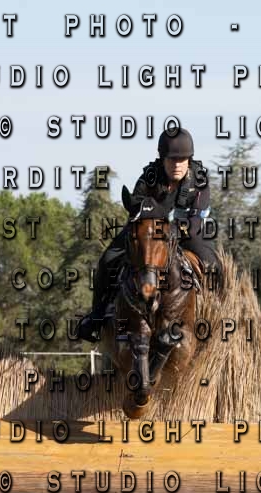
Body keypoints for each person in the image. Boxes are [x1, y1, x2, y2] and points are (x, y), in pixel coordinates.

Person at [76, 128, 218, 343]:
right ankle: (96, 316)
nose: (177, 165)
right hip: (149, 231)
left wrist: (171, 230)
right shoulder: (149, 177)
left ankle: (216, 315)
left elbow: (196, 222)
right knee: (107, 260)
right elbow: (136, 211)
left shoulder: (199, 180)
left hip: (187, 231)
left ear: (189, 160)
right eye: (172, 160)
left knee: (213, 264)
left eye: (182, 160)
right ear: (162, 159)